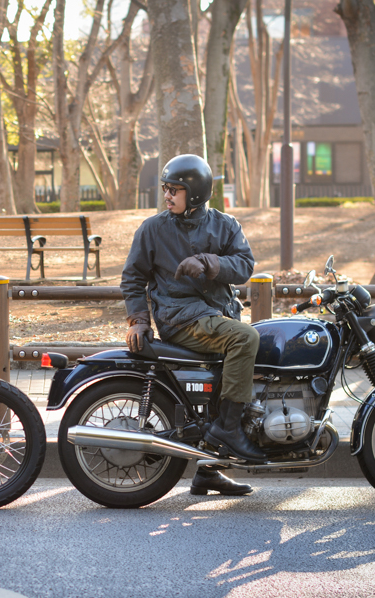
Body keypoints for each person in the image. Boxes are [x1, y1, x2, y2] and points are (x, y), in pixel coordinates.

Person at [121, 154, 265, 497]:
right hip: (180, 317)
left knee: (223, 380)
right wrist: (139, 319)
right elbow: (132, 278)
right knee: (245, 340)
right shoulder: (153, 229)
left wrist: (208, 263)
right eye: (166, 189)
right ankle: (230, 430)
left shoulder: (225, 225)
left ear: (196, 193)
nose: (167, 196)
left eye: (175, 190)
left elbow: (244, 266)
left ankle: (208, 472)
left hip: (217, 316)